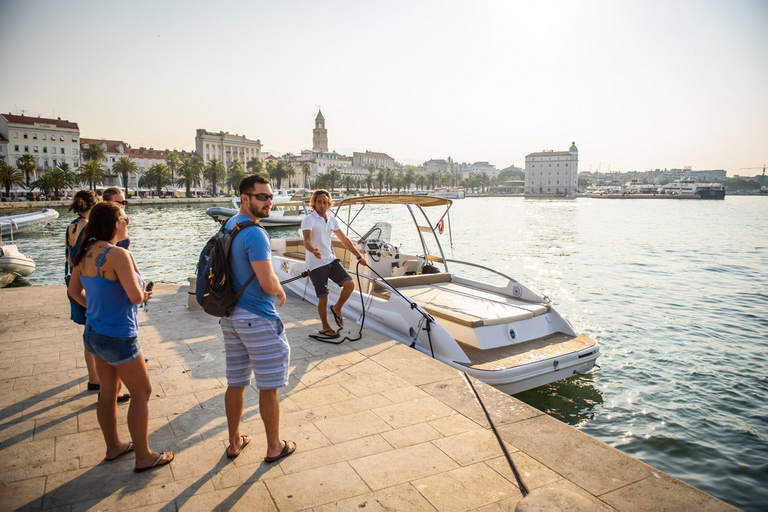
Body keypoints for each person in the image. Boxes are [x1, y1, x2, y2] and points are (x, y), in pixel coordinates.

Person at [68, 202, 173, 471]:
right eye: (125, 218)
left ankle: (113, 446)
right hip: (119, 336)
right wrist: (144, 295)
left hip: (94, 332)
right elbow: (135, 297)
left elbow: (73, 292)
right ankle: (144, 456)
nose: (128, 222)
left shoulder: (85, 252)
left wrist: (95, 309)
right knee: (142, 392)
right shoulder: (117, 255)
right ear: (115, 223)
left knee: (108, 391)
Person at [219, 175, 295, 463]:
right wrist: (279, 291)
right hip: (257, 318)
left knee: (236, 381)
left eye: (270, 197)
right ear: (245, 198)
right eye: (261, 196)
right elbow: (266, 281)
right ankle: (274, 446)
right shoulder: (255, 233)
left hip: (230, 316)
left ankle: (235, 440)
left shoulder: (228, 225)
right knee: (268, 385)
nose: (268, 202)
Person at [301, 189, 367, 338]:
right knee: (323, 297)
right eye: (319, 202)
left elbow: (344, 240)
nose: (322, 205)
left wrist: (358, 256)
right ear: (314, 203)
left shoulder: (332, 220)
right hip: (316, 264)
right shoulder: (308, 219)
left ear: (329, 203)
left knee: (349, 284)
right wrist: (313, 250)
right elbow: (306, 241)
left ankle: (337, 308)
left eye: (325, 202)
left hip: (330, 260)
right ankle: (325, 327)